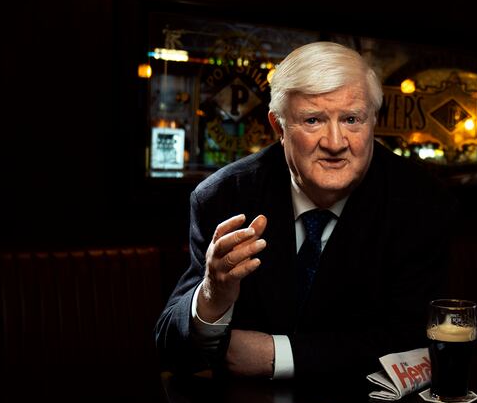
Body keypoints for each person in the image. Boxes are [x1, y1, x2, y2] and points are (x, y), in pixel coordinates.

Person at [155, 41, 454, 379]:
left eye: (352, 119)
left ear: (374, 120)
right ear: (278, 127)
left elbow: (415, 341)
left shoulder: (418, 201)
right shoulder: (224, 197)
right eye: (313, 120)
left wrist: (278, 354)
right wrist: (212, 296)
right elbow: (169, 348)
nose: (335, 143)